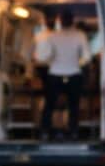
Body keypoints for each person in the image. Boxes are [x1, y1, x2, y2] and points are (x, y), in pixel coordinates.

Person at [37, 9, 91, 139]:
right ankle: (73, 131)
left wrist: (51, 61)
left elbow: (44, 56)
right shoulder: (80, 35)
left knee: (49, 104)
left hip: (55, 73)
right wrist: (77, 63)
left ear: (60, 21)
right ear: (73, 21)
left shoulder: (52, 36)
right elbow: (87, 57)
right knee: (74, 105)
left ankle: (45, 131)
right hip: (74, 74)